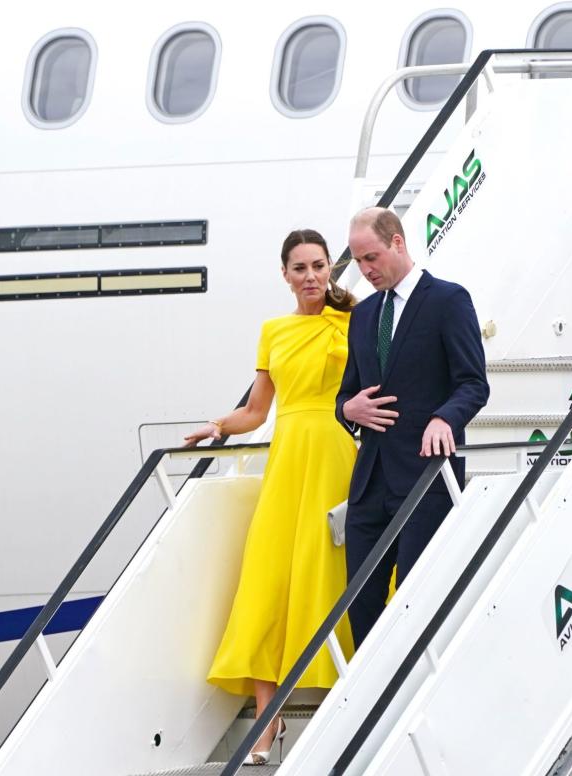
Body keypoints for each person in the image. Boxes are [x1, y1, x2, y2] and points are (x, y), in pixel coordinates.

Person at [184, 229, 357, 766]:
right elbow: (258, 411)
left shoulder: (356, 320)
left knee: (325, 571)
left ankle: (344, 709)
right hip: (287, 457)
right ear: (284, 274)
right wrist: (217, 426)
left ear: (331, 270)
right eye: (300, 268)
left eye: (319, 266)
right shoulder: (273, 331)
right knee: (267, 577)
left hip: (333, 452)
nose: (310, 276)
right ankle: (268, 718)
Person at [336, 207, 489, 648]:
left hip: (425, 478)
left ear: (398, 242)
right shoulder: (363, 316)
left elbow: (473, 383)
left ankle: (406, 702)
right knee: (360, 604)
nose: (365, 271)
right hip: (370, 483)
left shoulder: (447, 300)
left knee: (414, 602)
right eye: (359, 262)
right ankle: (373, 701)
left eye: (372, 258)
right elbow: (345, 395)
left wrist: (446, 417)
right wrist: (350, 410)